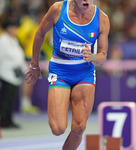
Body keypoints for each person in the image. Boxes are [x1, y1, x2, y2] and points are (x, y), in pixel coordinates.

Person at [25, 0, 110, 149]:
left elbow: (103, 55)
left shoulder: (102, 18)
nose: (85, 0)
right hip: (60, 70)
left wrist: (93, 57)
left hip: (84, 73)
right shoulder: (58, 9)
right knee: (57, 129)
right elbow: (40, 33)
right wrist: (34, 64)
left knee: (79, 128)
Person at [0, 18, 27, 128]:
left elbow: (19, 56)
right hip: (6, 73)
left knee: (11, 99)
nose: (16, 30)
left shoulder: (14, 40)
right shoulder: (3, 41)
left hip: (15, 74)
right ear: (8, 29)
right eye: (14, 27)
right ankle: (4, 121)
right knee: (6, 99)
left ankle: (9, 120)